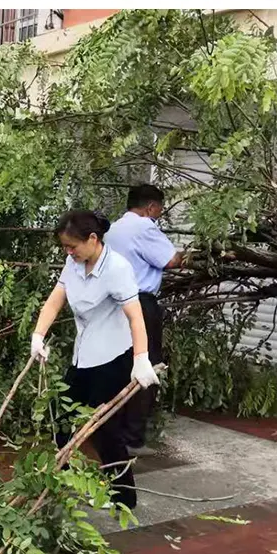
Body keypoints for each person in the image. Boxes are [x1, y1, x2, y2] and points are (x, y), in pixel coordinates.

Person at [29, 208, 159, 510]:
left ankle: (124, 497)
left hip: (113, 360)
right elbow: (55, 298)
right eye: (64, 247)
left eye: (71, 246)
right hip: (83, 357)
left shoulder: (117, 268)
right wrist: (38, 335)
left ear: (92, 239)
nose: (67, 251)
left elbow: (136, 317)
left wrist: (141, 359)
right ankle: (58, 480)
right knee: (60, 415)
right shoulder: (73, 264)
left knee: (104, 429)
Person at [105, 184, 182, 451]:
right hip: (139, 304)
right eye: (159, 209)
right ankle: (133, 434)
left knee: (117, 365)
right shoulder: (144, 227)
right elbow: (171, 260)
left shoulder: (112, 230)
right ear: (151, 207)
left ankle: (111, 426)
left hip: (112, 305)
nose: (159, 214)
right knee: (147, 365)